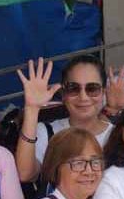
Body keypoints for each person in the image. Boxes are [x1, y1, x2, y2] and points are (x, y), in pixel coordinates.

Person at [15, 55, 114, 184]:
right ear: (63, 94)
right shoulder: (47, 132)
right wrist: (31, 109)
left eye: (92, 89)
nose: (83, 97)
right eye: (73, 88)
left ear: (104, 92)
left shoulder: (117, 134)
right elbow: (25, 174)